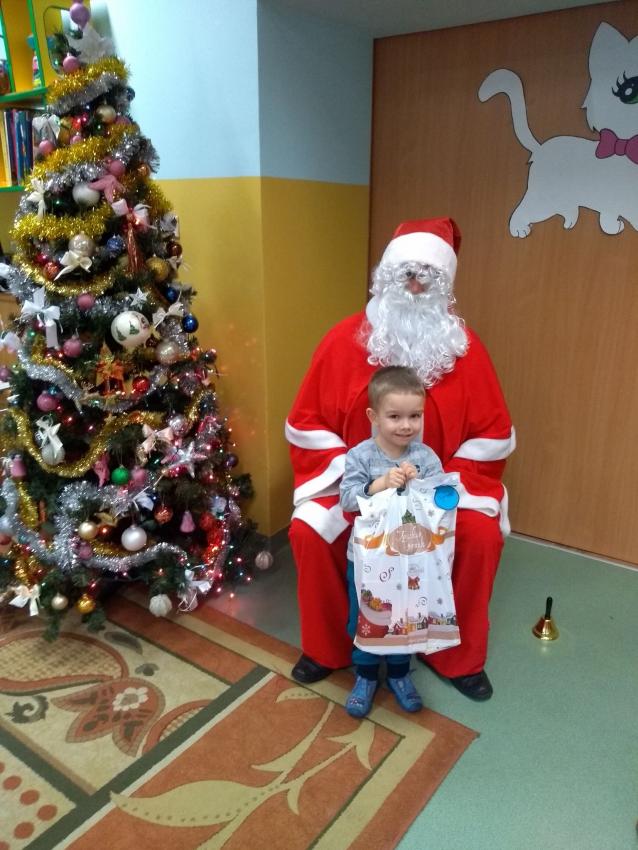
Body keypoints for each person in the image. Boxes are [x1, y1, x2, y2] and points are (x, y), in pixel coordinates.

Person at [286, 217, 514, 701]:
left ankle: (454, 656)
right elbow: (307, 423)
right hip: (359, 480)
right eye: (405, 274)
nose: (414, 286)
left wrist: (436, 489)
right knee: (309, 530)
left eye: (426, 277)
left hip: (439, 483)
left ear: (443, 286)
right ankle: (327, 648)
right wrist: (360, 480)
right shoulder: (342, 340)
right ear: (386, 277)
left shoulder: (466, 351)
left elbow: (492, 435)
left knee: (479, 533)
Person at [339, 366, 443, 718]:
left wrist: (421, 485)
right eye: (395, 416)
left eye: (415, 416)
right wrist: (380, 484)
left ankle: (399, 673)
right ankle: (366, 676)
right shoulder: (361, 456)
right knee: (368, 617)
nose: (406, 425)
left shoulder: (425, 457)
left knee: (405, 616)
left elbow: (442, 500)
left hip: (410, 557)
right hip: (368, 558)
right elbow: (347, 500)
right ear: (374, 416)